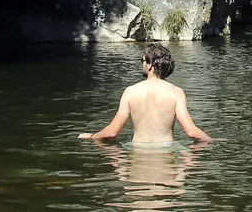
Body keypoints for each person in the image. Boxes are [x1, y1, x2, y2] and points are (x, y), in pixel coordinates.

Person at [80, 42, 213, 146]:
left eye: (142, 61)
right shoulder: (176, 93)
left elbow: (112, 132)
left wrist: (91, 137)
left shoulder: (130, 92)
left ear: (150, 65)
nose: (141, 64)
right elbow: (192, 132)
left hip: (137, 150)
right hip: (165, 150)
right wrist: (214, 141)